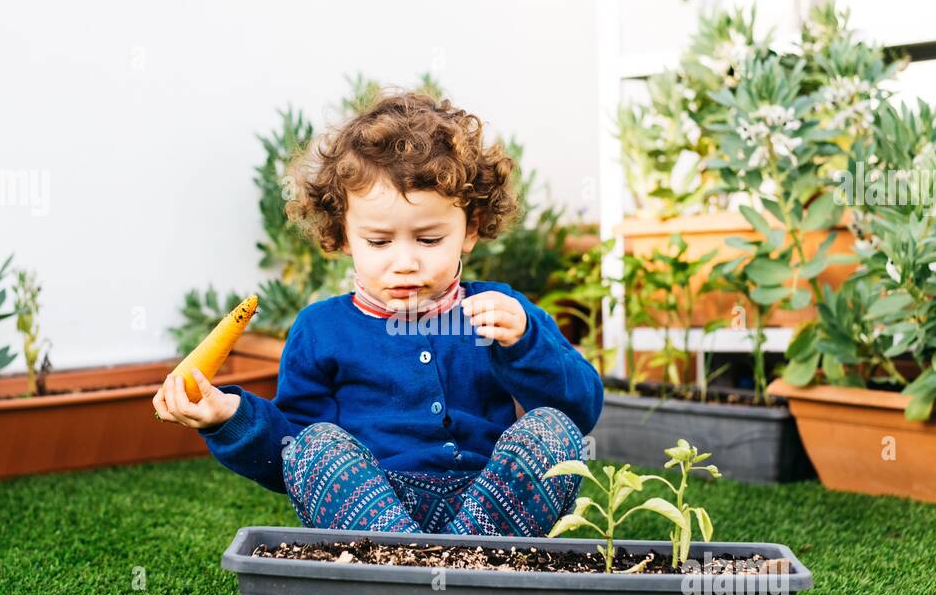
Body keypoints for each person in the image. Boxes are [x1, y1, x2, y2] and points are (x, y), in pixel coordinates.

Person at [154, 90, 603, 536]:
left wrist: (526, 342)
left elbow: (580, 408)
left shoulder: (501, 313)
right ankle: (406, 555)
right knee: (314, 446)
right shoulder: (321, 330)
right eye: (379, 242)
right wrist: (231, 418)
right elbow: (289, 458)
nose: (404, 262)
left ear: (472, 228)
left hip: (490, 506)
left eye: (429, 240)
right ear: (344, 235)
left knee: (554, 429)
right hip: (376, 510)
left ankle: (466, 554)